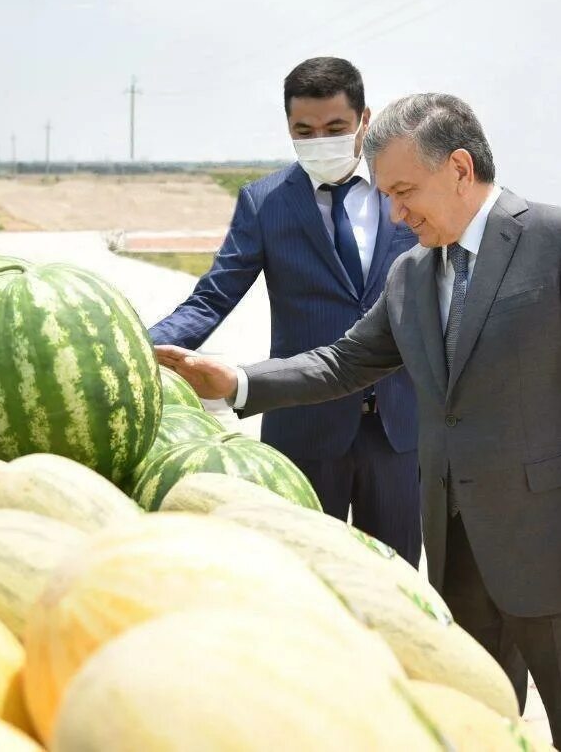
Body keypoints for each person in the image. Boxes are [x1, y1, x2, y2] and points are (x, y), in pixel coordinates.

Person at [159, 93, 561, 752]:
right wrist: (241, 382)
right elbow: (345, 363)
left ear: (457, 167)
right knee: (476, 732)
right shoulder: (412, 274)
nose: (394, 211)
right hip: (459, 554)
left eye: (403, 190)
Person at [147, 57, 422, 565]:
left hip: (399, 430)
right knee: (302, 574)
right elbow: (212, 296)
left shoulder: (402, 192)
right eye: (305, 131)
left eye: (335, 128)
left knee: (397, 577)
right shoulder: (265, 202)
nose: (321, 140)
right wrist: (139, 347)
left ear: (365, 120)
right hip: (304, 428)